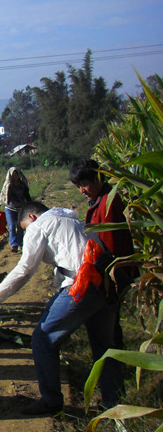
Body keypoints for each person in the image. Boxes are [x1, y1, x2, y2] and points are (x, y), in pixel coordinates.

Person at [0, 202, 123, 415]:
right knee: (104, 347)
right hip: (105, 284)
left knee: (43, 339)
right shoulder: (71, 219)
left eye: (25, 228)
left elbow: (25, 269)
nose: (27, 233)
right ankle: (115, 405)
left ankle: (51, 402)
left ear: (32, 218)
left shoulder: (39, 226)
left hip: (81, 285)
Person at [70, 159, 135, 391]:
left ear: (98, 179)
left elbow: (110, 246)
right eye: (78, 186)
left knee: (107, 328)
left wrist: (108, 281)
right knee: (111, 326)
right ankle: (118, 372)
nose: (82, 190)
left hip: (111, 274)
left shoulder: (109, 202)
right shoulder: (100, 199)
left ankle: (114, 382)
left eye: (85, 184)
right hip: (107, 273)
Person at [0, 166, 32, 252]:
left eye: (16, 174)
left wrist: (30, 207)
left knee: (20, 227)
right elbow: (2, 196)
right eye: (13, 174)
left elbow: (27, 196)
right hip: (10, 208)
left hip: (21, 208)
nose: (15, 176)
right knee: (12, 226)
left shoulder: (23, 185)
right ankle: (14, 244)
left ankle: (20, 244)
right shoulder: (8, 185)